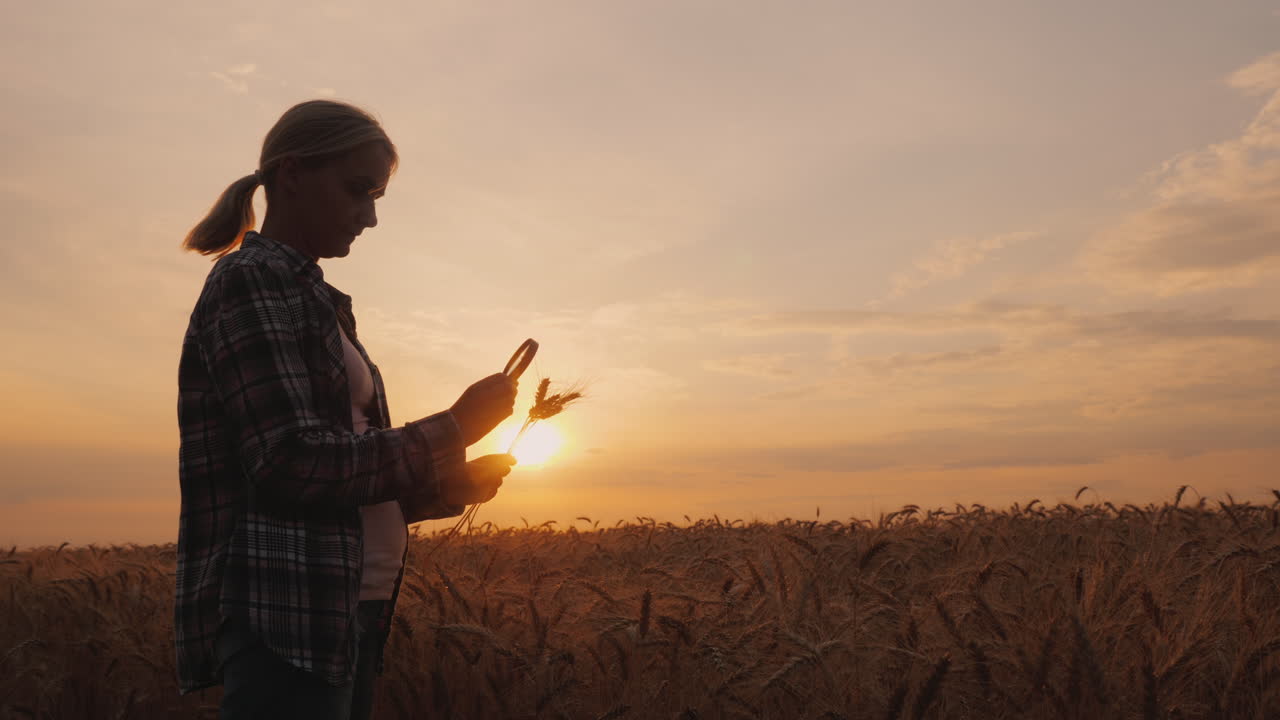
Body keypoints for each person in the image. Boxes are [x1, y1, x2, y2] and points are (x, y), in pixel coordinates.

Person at [173, 99, 518, 719]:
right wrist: (455, 427)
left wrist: (444, 486)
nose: (371, 217)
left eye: (377, 197)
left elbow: (338, 479)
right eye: (358, 190)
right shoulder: (251, 281)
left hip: (345, 607)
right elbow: (288, 462)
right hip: (288, 615)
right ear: (293, 174)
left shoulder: (315, 299)